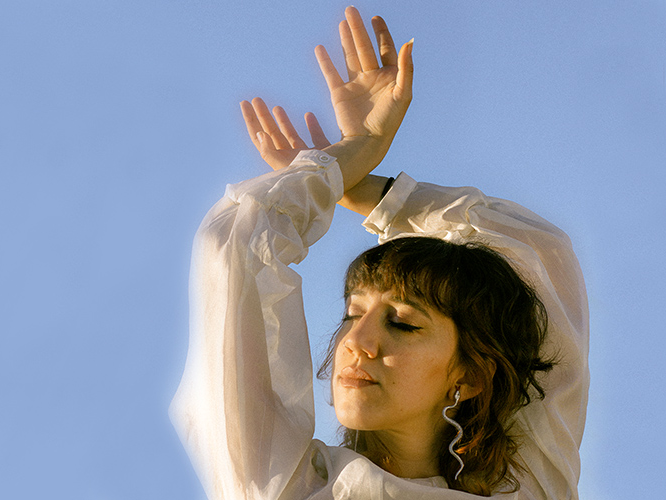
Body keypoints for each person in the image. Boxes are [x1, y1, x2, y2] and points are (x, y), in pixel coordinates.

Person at [171, 6, 588, 499]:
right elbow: (230, 249)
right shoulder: (282, 485)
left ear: (472, 375)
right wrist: (348, 156)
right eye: (351, 315)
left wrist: (354, 185)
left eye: (404, 323)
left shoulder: (526, 489)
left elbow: (540, 256)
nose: (357, 341)